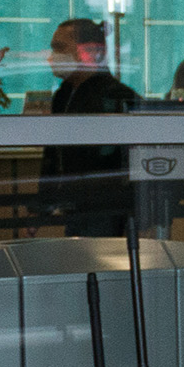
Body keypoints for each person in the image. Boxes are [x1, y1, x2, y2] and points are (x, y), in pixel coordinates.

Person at [37, 17, 137, 236]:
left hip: (106, 211)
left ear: (90, 52)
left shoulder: (115, 97)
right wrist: (42, 206)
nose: (52, 57)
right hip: (75, 208)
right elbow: (54, 154)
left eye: (60, 48)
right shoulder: (63, 95)